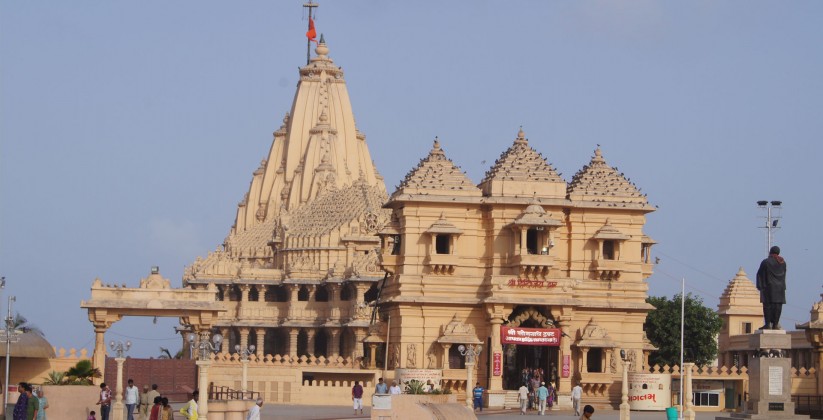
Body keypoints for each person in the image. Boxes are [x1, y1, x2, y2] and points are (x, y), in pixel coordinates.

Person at [756, 245, 787, 330]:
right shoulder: (783, 263)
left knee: (767, 306)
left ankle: (767, 324)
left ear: (770, 252)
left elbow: (759, 274)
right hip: (780, 289)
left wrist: (760, 286)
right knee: (778, 306)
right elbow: (784, 275)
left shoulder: (766, 262)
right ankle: (775, 324)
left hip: (769, 288)